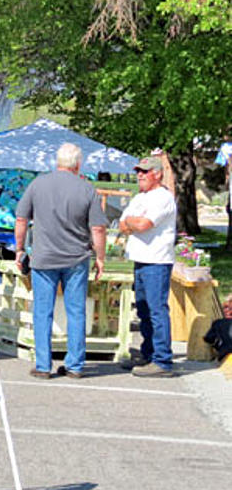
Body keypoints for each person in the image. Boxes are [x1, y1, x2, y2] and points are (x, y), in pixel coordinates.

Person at [14, 143, 107, 380]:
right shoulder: (87, 189)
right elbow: (97, 228)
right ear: (78, 164)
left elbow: (21, 219)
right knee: (76, 311)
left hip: (44, 257)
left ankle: (43, 365)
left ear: (57, 162)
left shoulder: (37, 185)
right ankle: (75, 364)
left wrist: (19, 250)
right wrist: (100, 257)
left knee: (42, 312)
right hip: (76, 258)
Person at [119, 155, 178, 378]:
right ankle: (148, 352)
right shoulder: (140, 197)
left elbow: (143, 224)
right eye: (138, 172)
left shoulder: (163, 198)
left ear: (157, 174)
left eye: (145, 172)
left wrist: (135, 222)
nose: (140, 176)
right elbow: (124, 224)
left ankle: (162, 360)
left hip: (157, 260)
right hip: (141, 258)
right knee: (143, 309)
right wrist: (134, 222)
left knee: (157, 310)